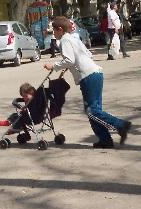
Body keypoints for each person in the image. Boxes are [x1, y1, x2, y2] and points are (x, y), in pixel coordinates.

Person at [44, 16, 131, 148]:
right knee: (93, 110)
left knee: (92, 110)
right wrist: (71, 68)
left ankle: (121, 125)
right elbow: (86, 55)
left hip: (88, 77)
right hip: (95, 73)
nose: (53, 34)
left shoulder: (65, 41)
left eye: (54, 31)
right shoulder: (73, 38)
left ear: (60, 30)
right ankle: (105, 140)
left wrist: (54, 66)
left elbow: (70, 60)